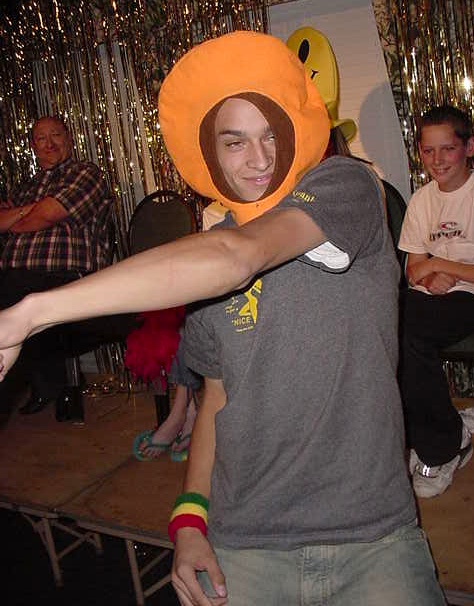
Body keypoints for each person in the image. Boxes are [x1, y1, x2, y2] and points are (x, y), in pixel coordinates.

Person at [0, 32, 445, 605]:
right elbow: (216, 398)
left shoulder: (346, 186)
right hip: (247, 539)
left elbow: (238, 258)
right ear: (209, 155)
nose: (259, 160)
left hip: (373, 536)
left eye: (270, 135)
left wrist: (31, 313)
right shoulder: (204, 264)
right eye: (234, 143)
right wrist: (190, 519)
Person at [0, 116, 113, 422]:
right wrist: (30, 210)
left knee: (15, 295)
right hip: (15, 276)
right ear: (33, 147)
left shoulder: (86, 173)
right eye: (41, 138)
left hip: (67, 276)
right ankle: (45, 381)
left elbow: (46, 215)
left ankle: (51, 382)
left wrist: (21, 217)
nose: (49, 143)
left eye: (56, 135)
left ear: (69, 139)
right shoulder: (26, 186)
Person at [398, 104, 474, 499]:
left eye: (448, 149)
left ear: (469, 147)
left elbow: (429, 263)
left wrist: (442, 265)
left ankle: (445, 446)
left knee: (409, 336)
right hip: (428, 295)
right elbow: (413, 269)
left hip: (468, 297)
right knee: (379, 325)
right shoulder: (421, 200)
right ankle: (424, 432)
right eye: (428, 151)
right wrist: (429, 273)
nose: (437, 160)